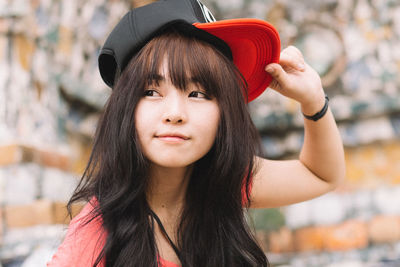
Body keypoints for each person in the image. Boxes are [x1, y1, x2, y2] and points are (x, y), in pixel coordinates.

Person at [47, 0, 345, 266]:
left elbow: (321, 175)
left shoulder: (224, 179)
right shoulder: (96, 236)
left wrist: (313, 100)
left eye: (198, 93)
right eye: (151, 92)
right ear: (126, 109)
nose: (174, 113)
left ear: (224, 112)